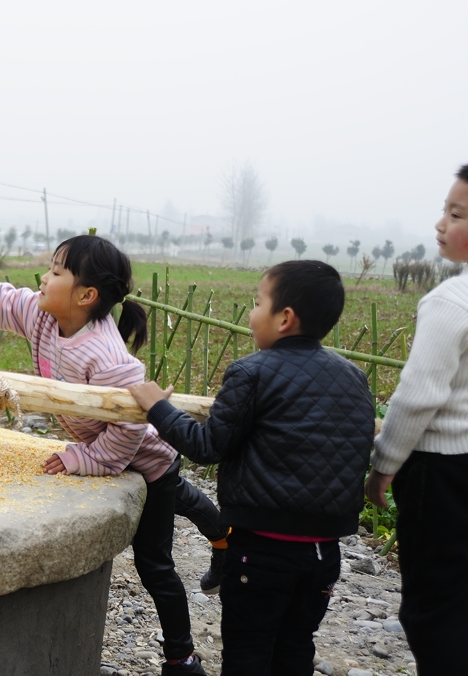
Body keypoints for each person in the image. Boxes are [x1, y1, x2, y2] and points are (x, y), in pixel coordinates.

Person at [0, 234, 213, 675]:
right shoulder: (41, 315)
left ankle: (181, 657)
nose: (43, 279)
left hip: (148, 459)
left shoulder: (107, 356)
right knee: (182, 497)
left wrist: (84, 459)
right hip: (115, 449)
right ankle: (220, 529)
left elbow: (128, 427)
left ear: (86, 296)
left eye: (55, 272)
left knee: (154, 562)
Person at [131, 260, 375, 676]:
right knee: (295, 648)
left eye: (257, 302)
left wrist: (158, 408)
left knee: (248, 652)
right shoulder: (353, 377)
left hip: (262, 551)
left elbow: (207, 446)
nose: (251, 312)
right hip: (323, 553)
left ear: (284, 318)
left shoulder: (252, 372)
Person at [365, 157, 468, 676]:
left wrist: (384, 463)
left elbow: (418, 395)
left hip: (449, 473)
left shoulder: (456, 298)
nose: (440, 224)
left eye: (456, 213)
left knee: (436, 612)